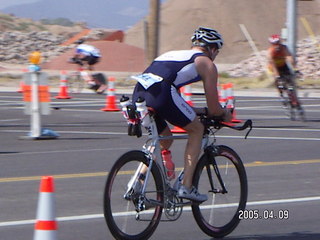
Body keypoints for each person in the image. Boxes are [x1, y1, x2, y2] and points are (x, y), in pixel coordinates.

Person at [132, 27, 232, 202]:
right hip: (163, 92)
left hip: (139, 92)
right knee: (196, 129)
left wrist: (201, 111)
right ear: (213, 49)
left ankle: (137, 183)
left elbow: (174, 103)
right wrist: (223, 113)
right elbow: (214, 108)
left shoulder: (173, 54)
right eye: (217, 51)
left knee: (165, 139)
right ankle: (186, 187)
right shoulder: (206, 63)